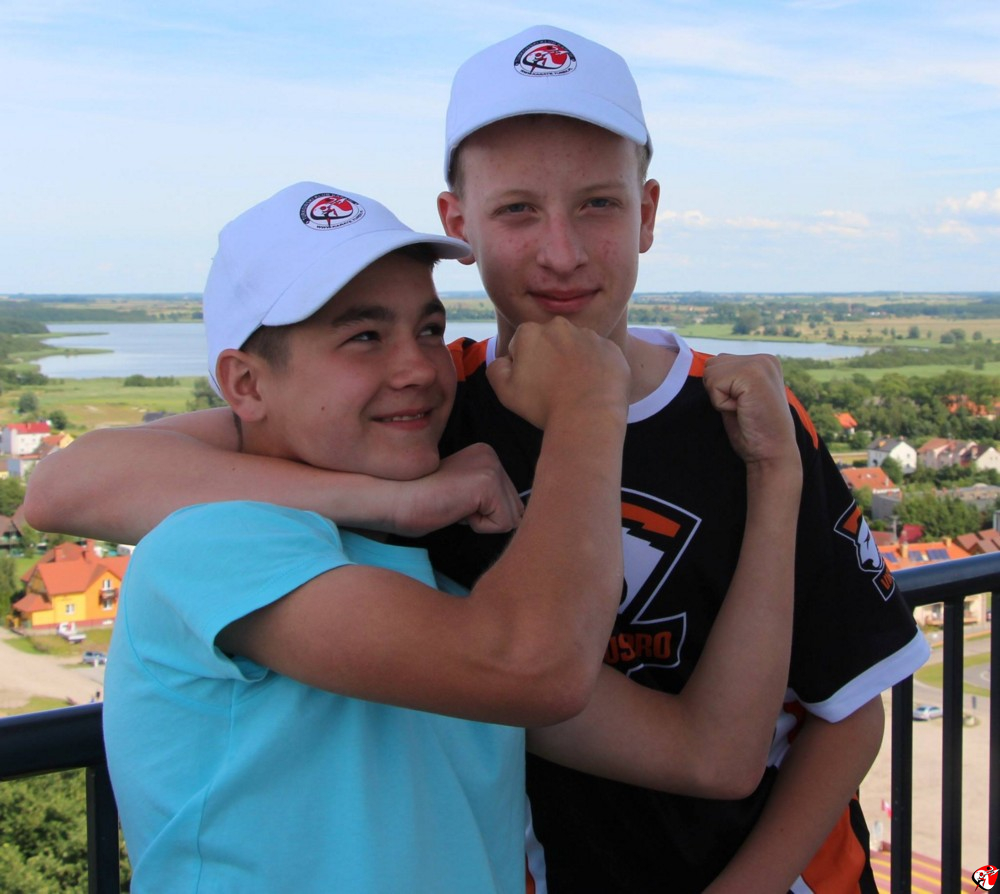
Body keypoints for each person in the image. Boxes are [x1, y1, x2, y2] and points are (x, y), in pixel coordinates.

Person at [24, 26, 930, 893]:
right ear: (461, 222)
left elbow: (803, 716)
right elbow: (67, 483)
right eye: (518, 211)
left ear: (646, 213)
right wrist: (408, 500)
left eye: (598, 204)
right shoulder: (414, 432)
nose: (561, 253)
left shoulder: (738, 415)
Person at [95, 181, 805, 891]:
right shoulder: (211, 546)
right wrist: (588, 403)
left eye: (430, 330)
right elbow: (536, 667)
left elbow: (714, 755)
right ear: (247, 385)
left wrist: (775, 474)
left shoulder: (438, 589)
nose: (418, 369)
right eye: (364, 337)